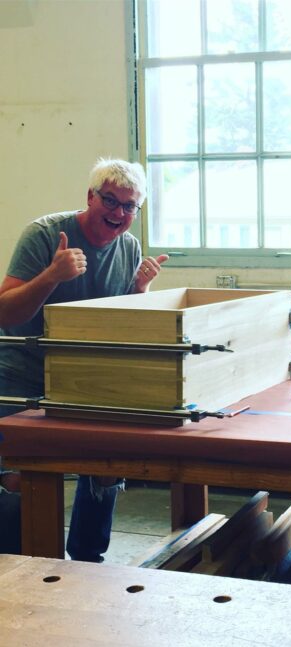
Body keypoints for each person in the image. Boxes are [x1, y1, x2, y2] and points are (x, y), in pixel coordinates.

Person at [0, 158, 168, 561]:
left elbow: (119, 321)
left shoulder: (129, 246)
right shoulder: (44, 235)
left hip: (86, 375)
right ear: (90, 197)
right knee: (23, 474)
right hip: (24, 370)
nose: (119, 213)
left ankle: (89, 563)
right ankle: (18, 566)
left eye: (130, 207)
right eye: (110, 201)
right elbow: (5, 313)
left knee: (107, 465)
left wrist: (140, 290)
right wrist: (51, 276)